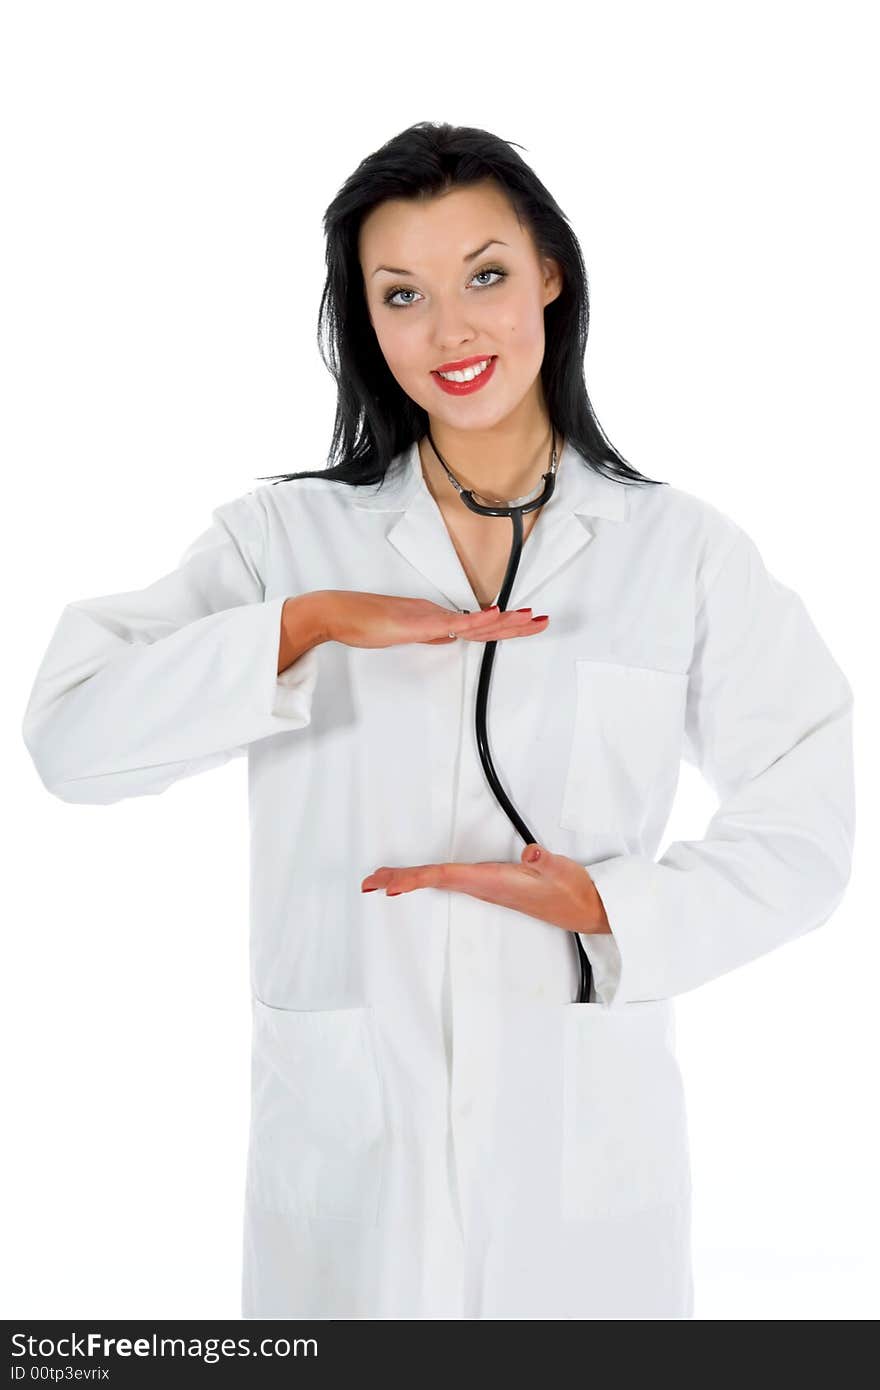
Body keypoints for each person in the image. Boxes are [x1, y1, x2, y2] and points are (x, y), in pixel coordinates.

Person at [21, 121, 855, 1321]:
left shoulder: (680, 554)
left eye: (485, 275)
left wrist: (613, 905)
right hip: (349, 1152)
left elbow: (807, 817)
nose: (451, 330)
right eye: (401, 293)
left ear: (550, 275)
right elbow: (70, 738)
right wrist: (300, 627)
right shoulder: (282, 543)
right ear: (364, 319)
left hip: (578, 1156)